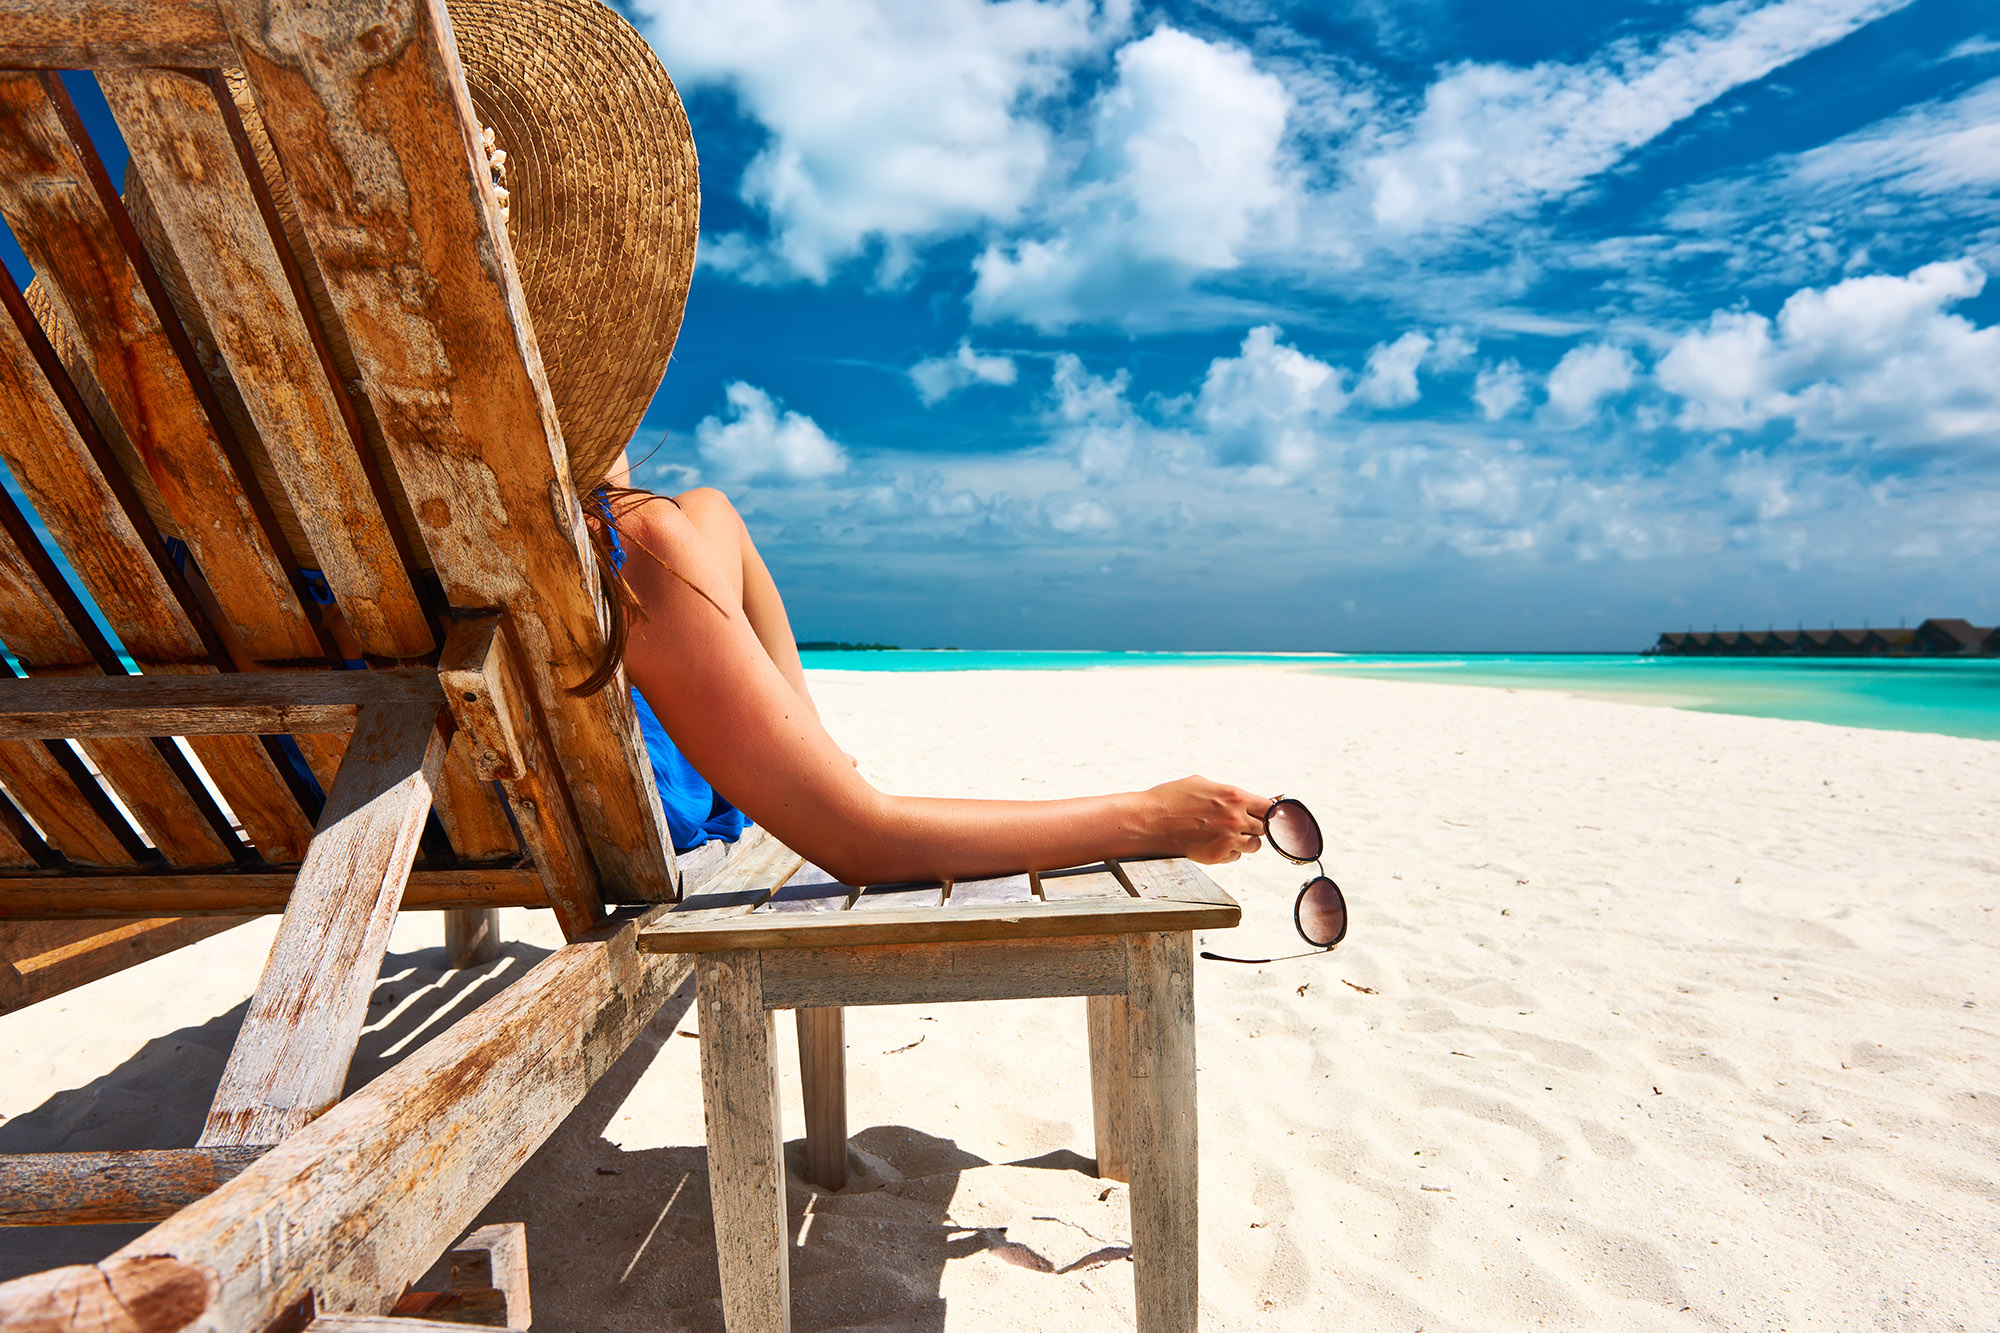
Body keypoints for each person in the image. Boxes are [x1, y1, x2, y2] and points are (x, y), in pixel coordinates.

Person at [434, 0, 1272, 887]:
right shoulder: (638, 557)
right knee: (678, 528)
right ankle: (810, 766)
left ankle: (810, 749)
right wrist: (1151, 815)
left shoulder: (311, 511)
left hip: (339, 757)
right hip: (516, 788)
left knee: (709, 507)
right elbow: (864, 843)